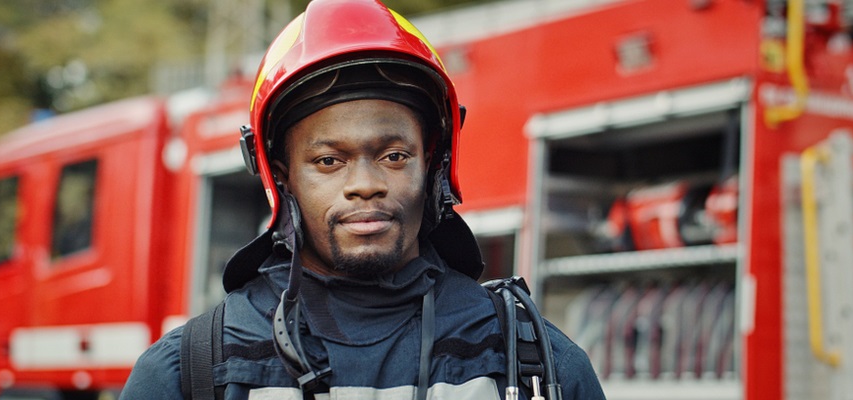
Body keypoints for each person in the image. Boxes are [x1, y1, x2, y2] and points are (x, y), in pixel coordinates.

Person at [121, 0, 605, 398]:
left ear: (433, 163)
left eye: (394, 156)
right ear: (282, 176)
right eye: (329, 161)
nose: (365, 184)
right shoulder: (189, 372)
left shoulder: (536, 366)